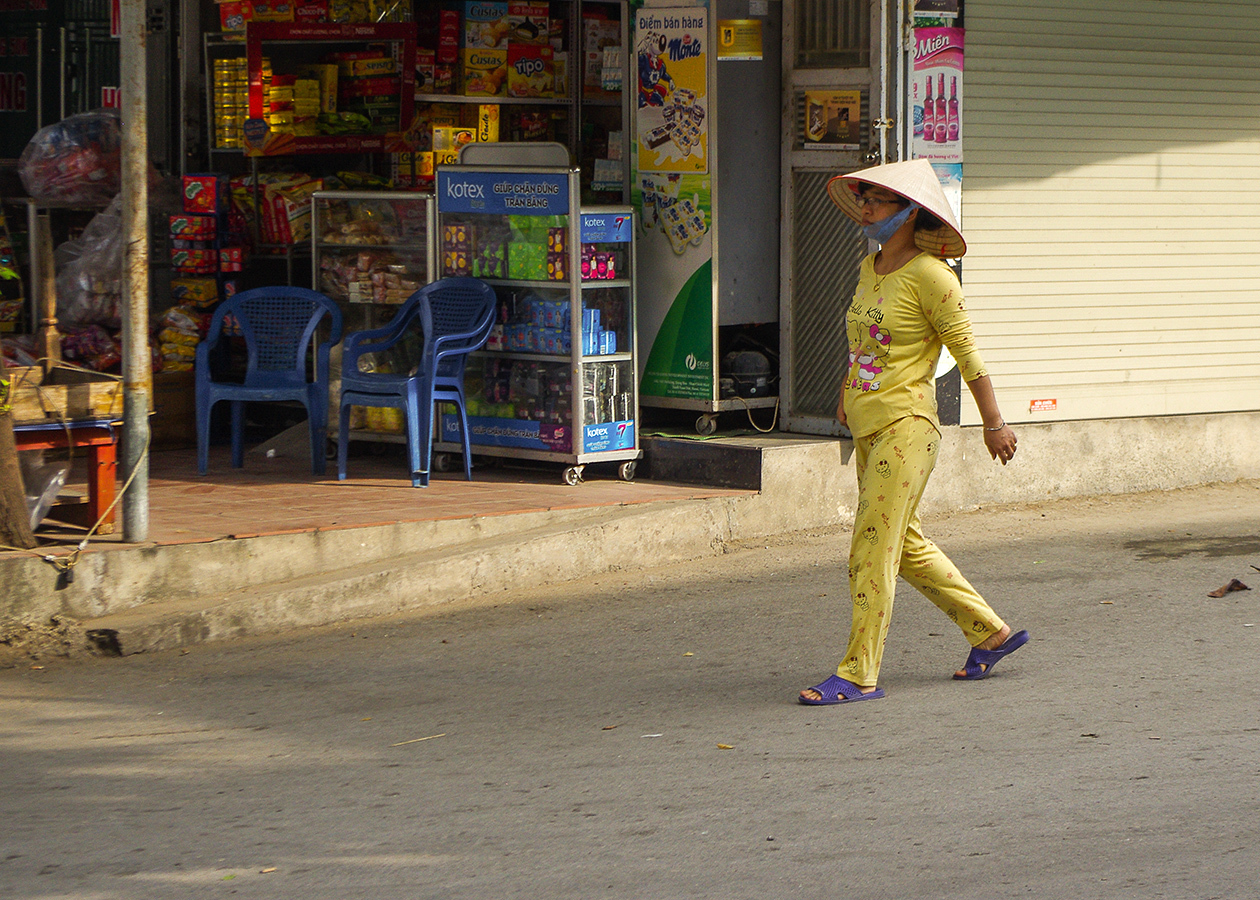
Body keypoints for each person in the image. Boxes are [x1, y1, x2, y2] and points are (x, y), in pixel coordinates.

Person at [799, 158, 1029, 706]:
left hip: (907, 427)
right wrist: (844, 395)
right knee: (904, 545)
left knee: (870, 547)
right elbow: (862, 343)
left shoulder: (932, 275)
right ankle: (989, 633)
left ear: (907, 213)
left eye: (876, 200)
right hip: (868, 426)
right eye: (863, 198)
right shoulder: (868, 266)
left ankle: (859, 672)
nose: (866, 209)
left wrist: (993, 425)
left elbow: (968, 354)